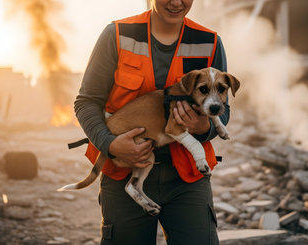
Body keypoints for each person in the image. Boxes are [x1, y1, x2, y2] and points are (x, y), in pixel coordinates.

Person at [74, 0, 230, 244]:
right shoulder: (117, 34)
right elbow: (86, 102)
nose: (176, 2)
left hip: (187, 178)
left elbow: (223, 108)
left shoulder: (209, 41)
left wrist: (205, 127)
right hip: (123, 173)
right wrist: (109, 144)